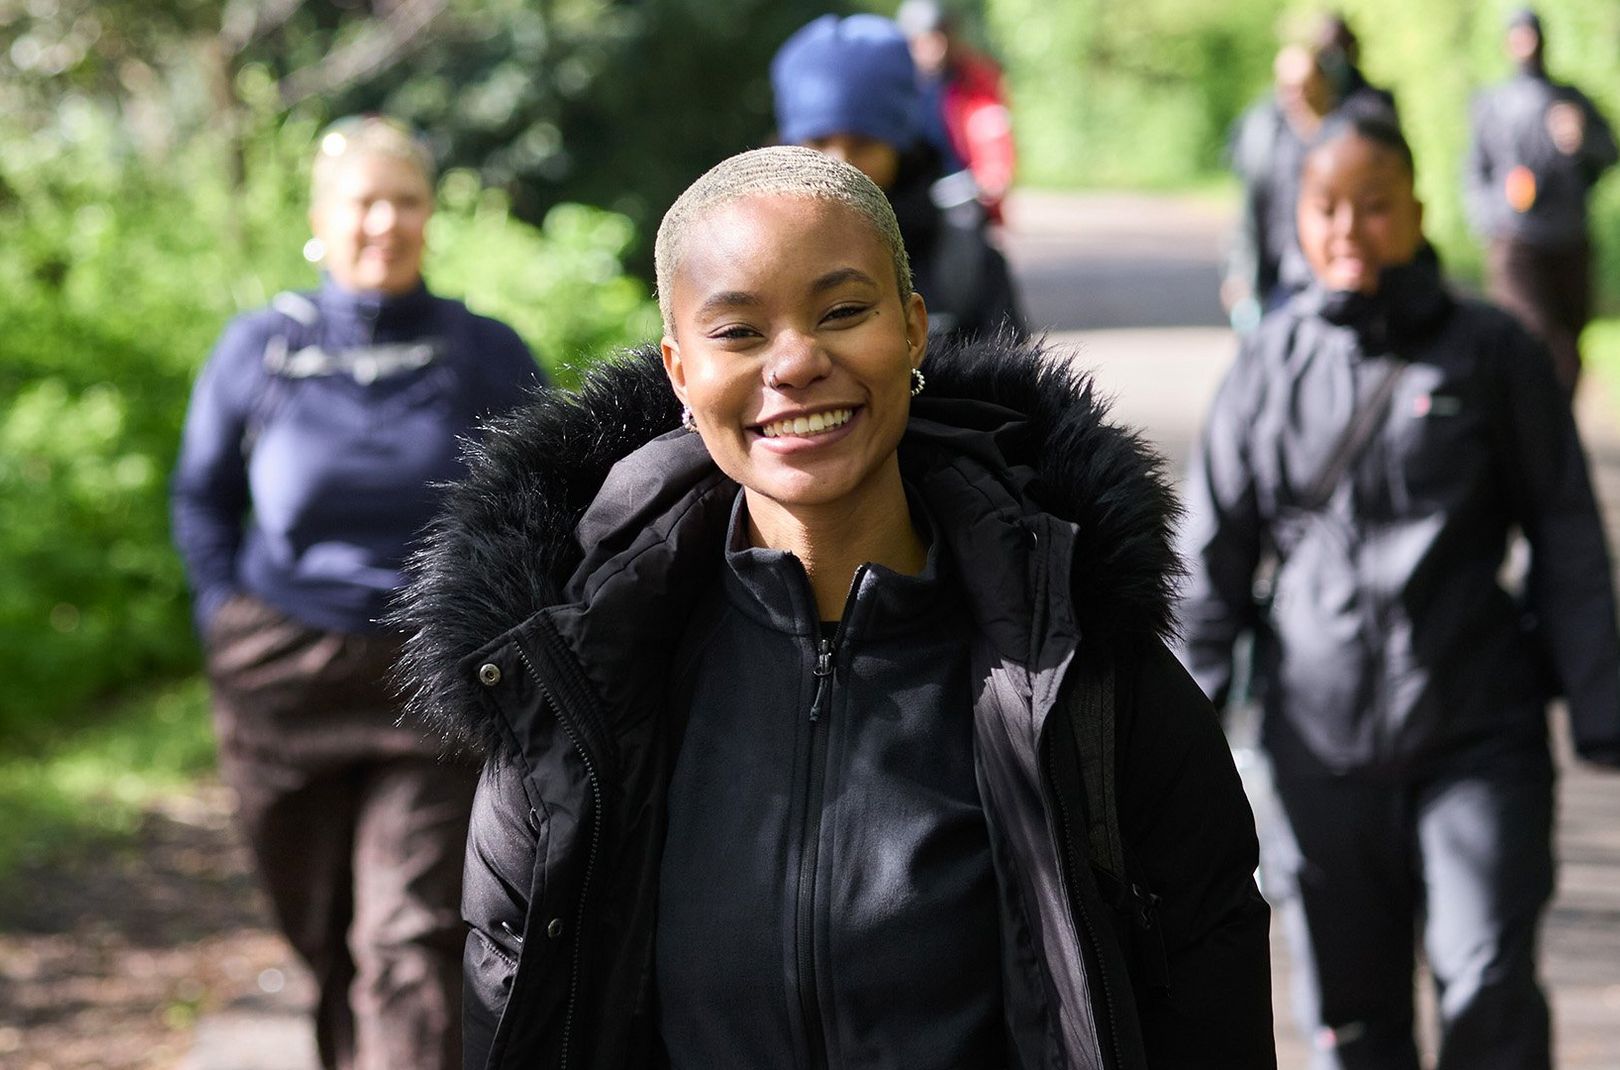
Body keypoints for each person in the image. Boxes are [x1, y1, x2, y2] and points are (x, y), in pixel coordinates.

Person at [391, 145, 1275, 1069]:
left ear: (914, 327)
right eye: (737, 332)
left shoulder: (1082, 673)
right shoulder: (577, 688)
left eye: (845, 312)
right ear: (679, 372)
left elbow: (1209, 1001)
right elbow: (513, 1012)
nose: (797, 363)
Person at [1179, 112, 1620, 1069]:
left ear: (1417, 210)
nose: (1348, 229)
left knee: (1489, 987)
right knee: (1353, 1017)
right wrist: (1179, 716)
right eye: (1325, 208)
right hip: (1318, 747)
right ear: (1295, 216)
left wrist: (1599, 697)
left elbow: (1566, 529)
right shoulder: (1267, 365)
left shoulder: (1493, 353)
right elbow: (1213, 553)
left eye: (1374, 206)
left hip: (1476, 732)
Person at [171, 116, 544, 1070]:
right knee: (324, 936)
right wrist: (223, 614)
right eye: (363, 202)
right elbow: (202, 498)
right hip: (282, 675)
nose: (385, 222)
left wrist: (497, 625)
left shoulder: (485, 351)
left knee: (408, 940)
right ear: (320, 218)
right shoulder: (257, 348)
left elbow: (546, 496)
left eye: (406, 201)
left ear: (430, 214)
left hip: (429, 681)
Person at [771, 13, 1025, 343]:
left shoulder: (961, 255)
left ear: (902, 148)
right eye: (819, 142)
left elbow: (1014, 384)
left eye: (863, 144)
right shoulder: (756, 251)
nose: (840, 163)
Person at [1465, 7, 1617, 397]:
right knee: (1536, 338)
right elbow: (1474, 174)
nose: (1527, 45)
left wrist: (1581, 143)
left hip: (1568, 239)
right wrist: (1494, 216)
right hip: (1517, 244)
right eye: (1518, 36)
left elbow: (1608, 155)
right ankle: (1533, 430)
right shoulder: (1493, 104)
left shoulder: (1570, 101)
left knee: (1568, 344)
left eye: (1532, 35)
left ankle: (1557, 430)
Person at [1222, 41, 1338, 331]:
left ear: (1322, 83)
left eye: (1304, 85)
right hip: (1277, 279)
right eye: (1288, 87)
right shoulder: (1262, 134)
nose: (1297, 96)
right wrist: (1239, 276)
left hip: (1328, 276)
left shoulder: (1345, 136)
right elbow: (1247, 211)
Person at [895, 0, 1018, 224]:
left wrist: (991, 177)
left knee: (963, 223)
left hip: (961, 192)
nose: (936, 48)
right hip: (908, 191)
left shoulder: (975, 81)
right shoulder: (892, 84)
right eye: (925, 40)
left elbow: (992, 133)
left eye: (941, 37)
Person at [1312, 12, 1397, 119]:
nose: (1332, 60)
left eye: (1338, 50)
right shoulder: (1307, 111)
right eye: (1325, 53)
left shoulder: (1375, 104)